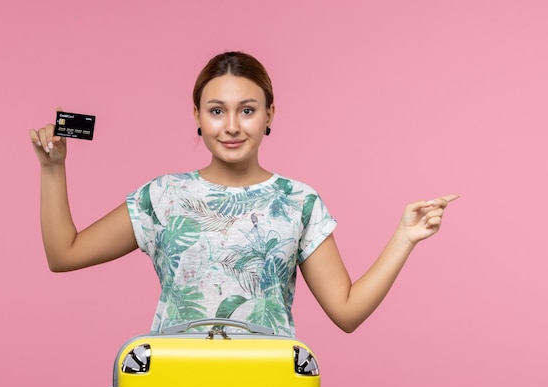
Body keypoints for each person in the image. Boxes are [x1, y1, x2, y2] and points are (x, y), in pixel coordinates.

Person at [29, 51, 458, 337]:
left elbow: (346, 312)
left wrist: (404, 238)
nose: (231, 126)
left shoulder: (298, 202)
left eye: (247, 110)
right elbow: (64, 254)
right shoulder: (164, 196)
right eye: (216, 111)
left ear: (269, 114)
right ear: (197, 115)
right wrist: (53, 168)